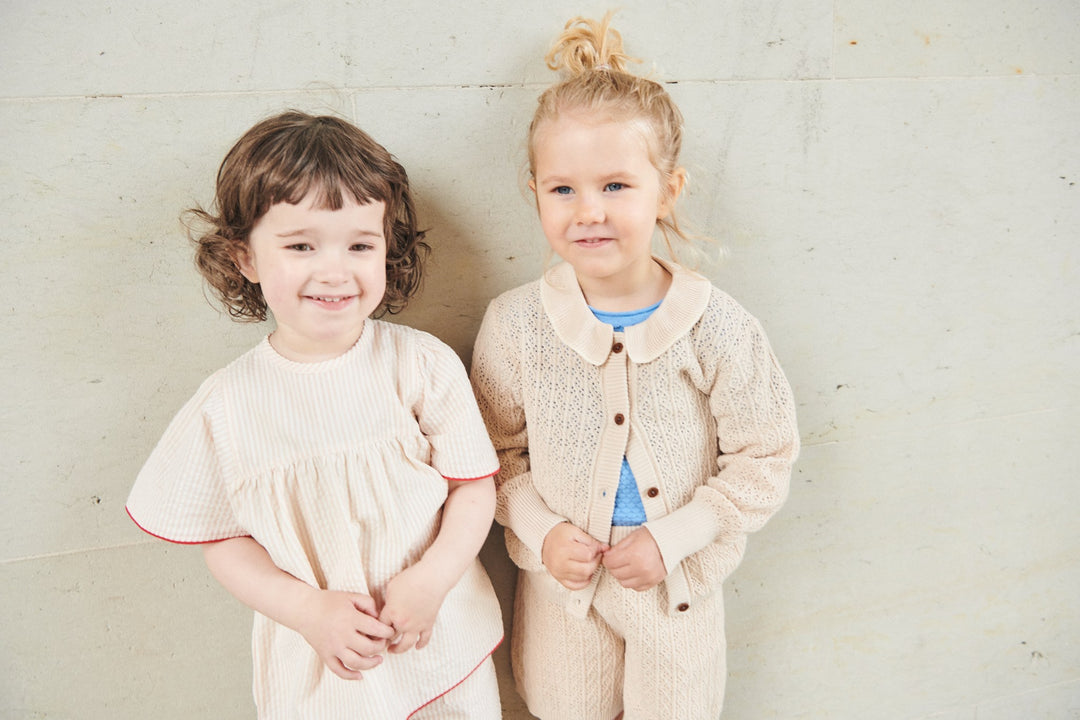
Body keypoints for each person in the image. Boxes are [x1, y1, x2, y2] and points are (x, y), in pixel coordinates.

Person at [470, 14, 799, 720]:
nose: (588, 211)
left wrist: (672, 538)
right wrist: (542, 530)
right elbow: (492, 456)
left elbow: (765, 456)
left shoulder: (718, 326)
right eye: (562, 190)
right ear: (535, 194)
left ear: (669, 188)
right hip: (564, 592)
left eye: (616, 185)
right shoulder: (516, 325)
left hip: (676, 587)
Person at [126, 111, 503, 719]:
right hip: (327, 664)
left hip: (435, 634)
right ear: (244, 257)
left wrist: (432, 579)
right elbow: (225, 541)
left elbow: (474, 486)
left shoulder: (420, 364)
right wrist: (306, 611)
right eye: (301, 245)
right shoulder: (227, 404)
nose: (335, 270)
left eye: (359, 245)